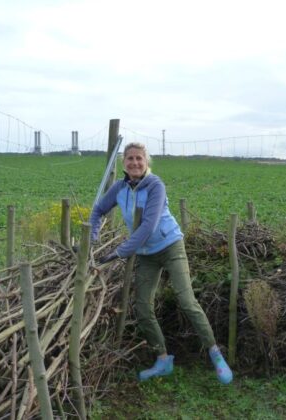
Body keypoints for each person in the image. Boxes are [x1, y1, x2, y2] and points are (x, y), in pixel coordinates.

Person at [90, 142, 233, 384]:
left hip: (170, 246)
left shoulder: (156, 186)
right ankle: (163, 360)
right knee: (142, 306)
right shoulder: (119, 188)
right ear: (123, 163)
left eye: (139, 158)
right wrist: (92, 239)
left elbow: (148, 225)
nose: (135, 162)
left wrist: (120, 251)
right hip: (146, 254)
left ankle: (215, 353)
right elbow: (97, 211)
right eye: (130, 158)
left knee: (186, 300)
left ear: (147, 162)